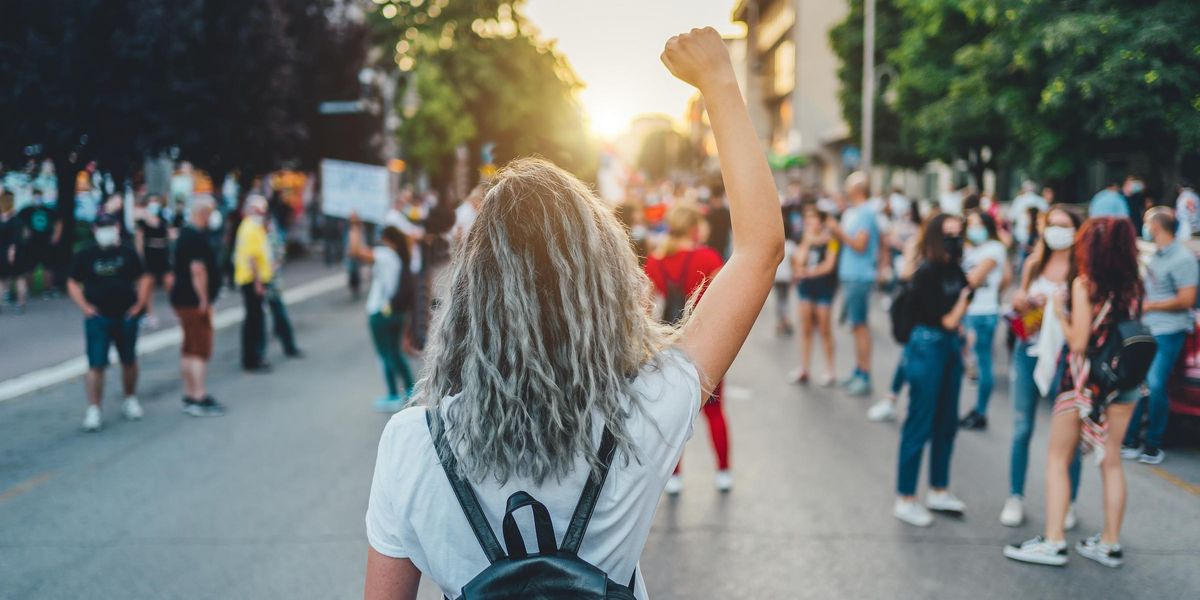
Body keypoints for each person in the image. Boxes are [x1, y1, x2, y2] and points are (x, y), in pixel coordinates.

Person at [363, 28, 784, 599]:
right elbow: (761, 249)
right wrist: (717, 82)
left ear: (471, 297)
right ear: (601, 285)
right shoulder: (646, 411)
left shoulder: (412, 443)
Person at [1005, 217, 1142, 568]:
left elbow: (1079, 342)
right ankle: (1110, 544)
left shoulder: (1085, 284)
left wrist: (1059, 313)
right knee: (1111, 461)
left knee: (1057, 459)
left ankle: (1053, 541)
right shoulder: (1134, 284)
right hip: (1123, 381)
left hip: (1085, 383)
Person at [1000, 206, 1084, 528]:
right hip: (1028, 349)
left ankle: (1069, 501)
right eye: (1052, 225)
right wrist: (1021, 302)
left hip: (1065, 358)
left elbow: (1084, 320)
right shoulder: (1035, 263)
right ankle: (1015, 496)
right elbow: (1018, 300)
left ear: (1076, 232)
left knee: (1067, 436)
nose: (1057, 231)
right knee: (1022, 427)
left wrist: (1059, 309)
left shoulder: (1081, 270)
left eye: (1065, 226)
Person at [645, 202, 731, 494]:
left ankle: (675, 476)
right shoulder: (709, 257)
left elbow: (646, 311)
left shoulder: (655, 262)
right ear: (695, 227)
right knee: (715, 411)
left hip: (668, 347)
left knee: (672, 415)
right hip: (708, 345)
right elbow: (725, 305)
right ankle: (723, 472)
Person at [892, 213, 971, 527]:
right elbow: (949, 318)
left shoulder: (954, 268)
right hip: (927, 346)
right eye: (948, 233)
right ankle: (905, 497)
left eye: (958, 233)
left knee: (947, 422)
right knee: (920, 422)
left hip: (950, 347)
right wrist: (965, 302)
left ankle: (939, 490)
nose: (955, 239)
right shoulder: (925, 272)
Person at [1122, 207, 1198, 464]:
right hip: (1147, 328)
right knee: (1137, 383)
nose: (1144, 228)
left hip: (1169, 330)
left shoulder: (1183, 259)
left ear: (1155, 227)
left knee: (1155, 384)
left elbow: (1186, 299)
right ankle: (1130, 441)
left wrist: (1151, 306)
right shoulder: (1156, 256)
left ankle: (1153, 445)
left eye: (1146, 223)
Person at [67, 215, 151, 432]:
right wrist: (85, 307)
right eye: (101, 227)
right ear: (95, 229)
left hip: (125, 315)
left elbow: (143, 278)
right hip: (98, 317)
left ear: (117, 228)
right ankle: (94, 408)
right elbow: (72, 282)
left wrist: (139, 305)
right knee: (96, 364)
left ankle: (130, 398)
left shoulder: (127, 251)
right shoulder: (86, 254)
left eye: (110, 227)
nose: (106, 231)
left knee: (129, 359)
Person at [347, 215, 417, 413]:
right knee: (396, 353)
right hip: (396, 311)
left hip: (380, 311)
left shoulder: (385, 255)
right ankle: (410, 390)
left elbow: (355, 252)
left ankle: (393, 394)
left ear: (388, 240)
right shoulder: (401, 257)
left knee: (385, 354)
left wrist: (354, 225)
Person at [170, 196, 224, 417]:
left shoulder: (185, 234)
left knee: (189, 347)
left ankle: (190, 394)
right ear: (203, 213)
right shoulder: (195, 238)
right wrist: (204, 299)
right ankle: (198, 396)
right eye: (210, 212)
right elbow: (198, 271)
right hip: (193, 301)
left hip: (182, 298)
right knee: (199, 349)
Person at [827, 171, 880, 396]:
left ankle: (864, 373)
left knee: (859, 325)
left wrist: (838, 232)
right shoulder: (854, 212)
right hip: (850, 275)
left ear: (858, 189)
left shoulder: (866, 213)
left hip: (859, 276)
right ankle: (859, 370)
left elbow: (860, 245)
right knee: (855, 325)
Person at [235, 195, 301, 371]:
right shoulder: (250, 228)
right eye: (258, 210)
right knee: (255, 321)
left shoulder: (258, 227)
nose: (261, 214)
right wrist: (258, 282)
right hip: (254, 281)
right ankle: (254, 358)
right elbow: (252, 258)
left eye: (263, 211)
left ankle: (260, 355)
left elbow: (271, 251)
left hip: (264, 279)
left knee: (259, 319)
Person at [959, 210, 1007, 430]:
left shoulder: (994, 248)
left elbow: (975, 278)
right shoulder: (970, 249)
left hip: (984, 311)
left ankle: (980, 410)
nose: (974, 228)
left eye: (978, 223)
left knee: (983, 361)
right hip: (970, 310)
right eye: (970, 224)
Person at [791, 200, 839, 386]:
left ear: (821, 221)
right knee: (806, 328)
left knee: (825, 329)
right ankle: (804, 368)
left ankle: (830, 369)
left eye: (813, 220)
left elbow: (829, 265)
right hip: (807, 288)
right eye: (807, 220)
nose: (809, 224)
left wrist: (808, 272)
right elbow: (799, 261)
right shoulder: (806, 237)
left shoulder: (832, 240)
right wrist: (807, 242)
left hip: (824, 287)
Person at [134, 195, 172, 329]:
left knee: (169, 281)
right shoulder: (142, 221)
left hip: (162, 253)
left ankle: (178, 308)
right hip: (149, 253)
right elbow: (139, 240)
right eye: (151, 202)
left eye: (156, 201)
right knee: (148, 284)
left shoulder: (163, 219)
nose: (154, 204)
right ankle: (148, 314)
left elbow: (169, 234)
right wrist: (140, 258)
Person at [17, 189, 62, 295]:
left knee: (48, 267)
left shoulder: (48, 210)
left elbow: (59, 222)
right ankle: (29, 290)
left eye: (39, 196)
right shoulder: (26, 210)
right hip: (31, 243)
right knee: (29, 268)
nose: (37, 198)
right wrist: (23, 231)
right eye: (35, 196)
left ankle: (48, 289)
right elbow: (17, 222)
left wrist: (56, 236)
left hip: (46, 243)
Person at [0, 192, 29, 312]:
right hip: (14, 251)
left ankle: (2, 303)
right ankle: (21, 303)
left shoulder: (4, 219)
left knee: (2, 280)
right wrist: (12, 251)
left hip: (5, 251)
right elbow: (20, 236)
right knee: (19, 278)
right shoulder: (17, 219)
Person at [1010, 181, 1048, 264]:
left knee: (1024, 254)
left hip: (1026, 232)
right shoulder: (1040, 200)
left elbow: (1012, 217)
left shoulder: (1019, 200)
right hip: (1031, 231)